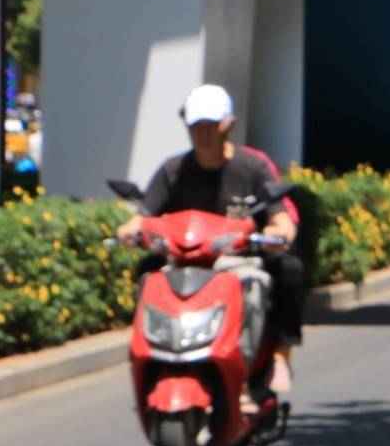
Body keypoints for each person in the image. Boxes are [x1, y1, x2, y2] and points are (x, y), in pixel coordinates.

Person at [117, 84, 304, 406]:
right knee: (146, 274)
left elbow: (281, 216)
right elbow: (145, 214)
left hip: (238, 263)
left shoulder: (252, 166)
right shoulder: (173, 170)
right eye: (195, 126)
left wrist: (279, 232)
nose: (202, 133)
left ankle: (254, 370)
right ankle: (152, 364)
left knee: (267, 279)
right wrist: (129, 229)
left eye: (210, 125)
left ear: (228, 125)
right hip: (184, 264)